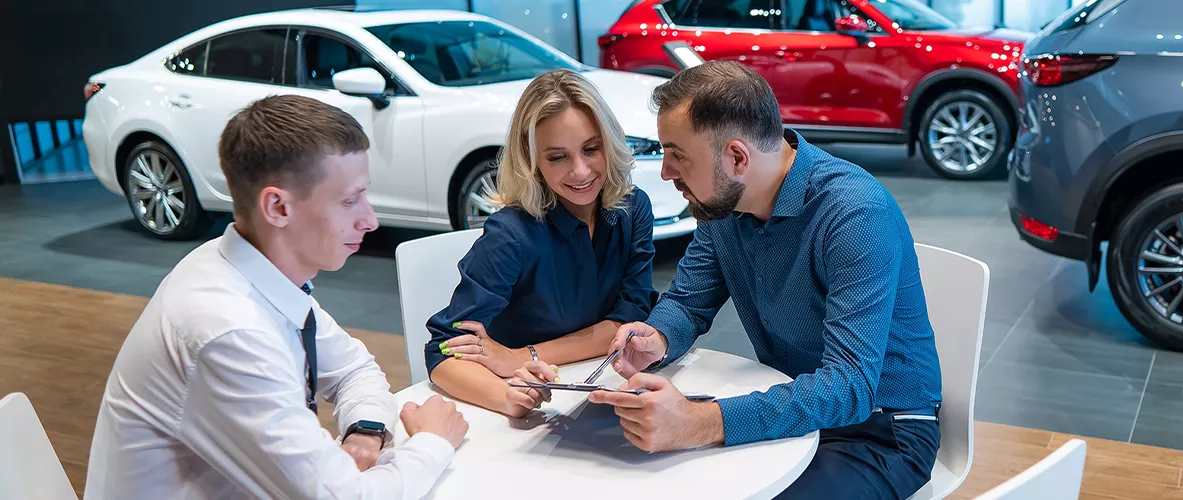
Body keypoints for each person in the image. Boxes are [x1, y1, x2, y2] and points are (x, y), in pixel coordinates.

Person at [84, 95, 516, 499]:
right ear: (277, 208)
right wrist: (432, 443)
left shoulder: (246, 269)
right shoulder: (228, 329)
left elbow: (353, 369)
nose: (369, 220)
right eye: (350, 200)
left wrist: (366, 431)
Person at [586, 61, 944, 499]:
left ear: (737, 157)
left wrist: (704, 423)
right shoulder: (723, 207)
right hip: (796, 408)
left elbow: (849, 385)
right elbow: (687, 302)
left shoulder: (853, 212)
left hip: (880, 429)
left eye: (678, 154)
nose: (666, 172)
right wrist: (656, 337)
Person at [423, 69, 660, 418]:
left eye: (591, 149)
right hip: (530, 404)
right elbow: (442, 352)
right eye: (557, 157)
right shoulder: (510, 234)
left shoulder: (633, 208)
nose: (581, 171)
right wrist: (507, 396)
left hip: (601, 390)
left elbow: (627, 319)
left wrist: (524, 354)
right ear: (531, 160)